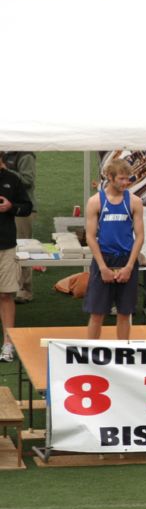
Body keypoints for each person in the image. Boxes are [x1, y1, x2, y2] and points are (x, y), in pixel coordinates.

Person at [84, 159, 145, 340]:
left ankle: (122, 354)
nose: (126, 183)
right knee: (97, 313)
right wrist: (102, 267)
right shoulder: (95, 202)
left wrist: (129, 266)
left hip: (126, 259)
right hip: (104, 259)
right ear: (109, 177)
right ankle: (90, 354)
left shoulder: (134, 202)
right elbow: (90, 236)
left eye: (128, 179)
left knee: (125, 313)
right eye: (121, 179)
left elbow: (140, 236)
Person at [0, 153, 33, 362]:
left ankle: (8, 344)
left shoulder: (12, 179)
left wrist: (10, 207)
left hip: (5, 245)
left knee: (5, 294)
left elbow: (27, 207)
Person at [3, 152, 36, 304]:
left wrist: (7, 171)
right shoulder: (9, 153)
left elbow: (28, 180)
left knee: (23, 247)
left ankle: (24, 289)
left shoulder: (25, 155)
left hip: (20, 207)